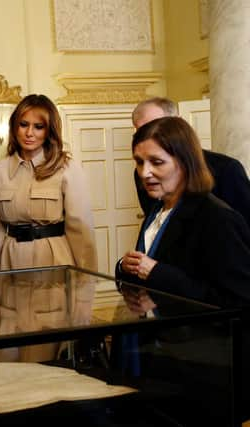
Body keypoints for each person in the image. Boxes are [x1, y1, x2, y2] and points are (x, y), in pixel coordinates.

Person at [115, 116, 250, 422]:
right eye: (139, 162)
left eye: (156, 162)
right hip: (163, 357)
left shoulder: (217, 218)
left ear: (185, 162)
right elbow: (152, 263)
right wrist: (125, 267)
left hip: (205, 366)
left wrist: (157, 273)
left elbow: (239, 301)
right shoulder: (158, 208)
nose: (144, 172)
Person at [0, 94, 97, 363]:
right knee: (3, 362)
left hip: (53, 271)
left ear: (50, 131)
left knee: (45, 363)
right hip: (11, 272)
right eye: (24, 124)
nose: (30, 133)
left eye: (39, 126)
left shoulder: (66, 168)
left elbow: (82, 235)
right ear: (14, 127)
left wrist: (84, 296)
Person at [132, 97, 250, 224]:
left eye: (157, 127)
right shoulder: (141, 173)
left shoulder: (227, 168)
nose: (148, 136)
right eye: (142, 131)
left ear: (179, 123)